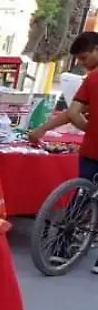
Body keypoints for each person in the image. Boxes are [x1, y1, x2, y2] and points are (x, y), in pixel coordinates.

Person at [60, 32, 98, 273]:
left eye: (84, 58)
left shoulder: (93, 79)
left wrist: (91, 129)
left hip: (92, 148)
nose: (82, 64)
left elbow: (73, 113)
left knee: (82, 195)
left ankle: (61, 246)